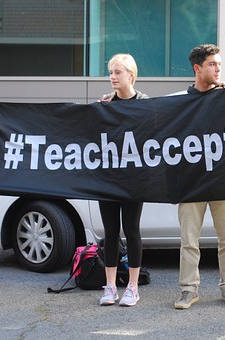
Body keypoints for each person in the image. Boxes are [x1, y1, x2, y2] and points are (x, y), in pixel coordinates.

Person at [174, 44, 225, 310]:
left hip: (224, 180)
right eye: (212, 64)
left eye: (219, 64)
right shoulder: (180, 103)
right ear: (197, 68)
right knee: (189, 240)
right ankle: (188, 289)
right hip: (191, 182)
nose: (218, 69)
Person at [98, 53, 148, 307]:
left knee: (131, 229)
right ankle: (109, 287)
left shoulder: (146, 104)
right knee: (110, 232)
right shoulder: (105, 104)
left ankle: (132, 286)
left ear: (131, 74)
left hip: (133, 180)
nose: (113, 77)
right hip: (108, 179)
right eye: (110, 72)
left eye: (118, 72)